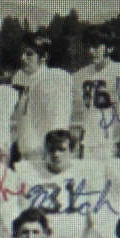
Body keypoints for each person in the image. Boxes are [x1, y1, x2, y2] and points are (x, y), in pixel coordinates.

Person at [16, 129, 105, 238]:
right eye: (51, 149)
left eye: (61, 149)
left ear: (72, 151)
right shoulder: (30, 175)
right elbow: (24, 217)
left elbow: (97, 223)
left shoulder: (86, 175)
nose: (56, 154)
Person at [73, 27, 120, 161]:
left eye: (96, 46)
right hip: (89, 145)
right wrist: (81, 148)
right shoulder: (80, 75)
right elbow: (84, 116)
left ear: (109, 48)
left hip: (112, 144)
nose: (90, 51)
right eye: (88, 46)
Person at [11, 33, 73, 162]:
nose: (23, 58)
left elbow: (58, 124)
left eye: (29, 54)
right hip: (24, 155)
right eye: (22, 53)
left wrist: (54, 155)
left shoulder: (54, 78)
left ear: (44, 57)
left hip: (44, 155)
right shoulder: (22, 78)